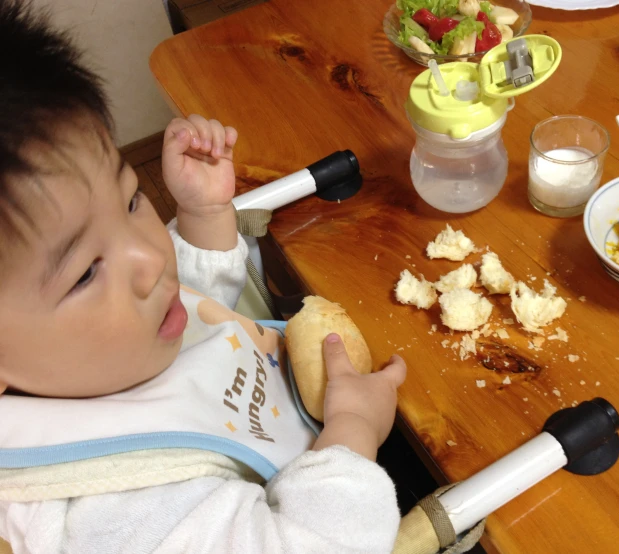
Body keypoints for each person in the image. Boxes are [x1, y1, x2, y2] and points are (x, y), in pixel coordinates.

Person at [0, 1, 406, 552]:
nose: (150, 255)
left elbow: (197, 317)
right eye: (84, 273)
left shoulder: (89, 349)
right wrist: (354, 428)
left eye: (132, 199)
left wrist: (204, 219)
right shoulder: (121, 512)